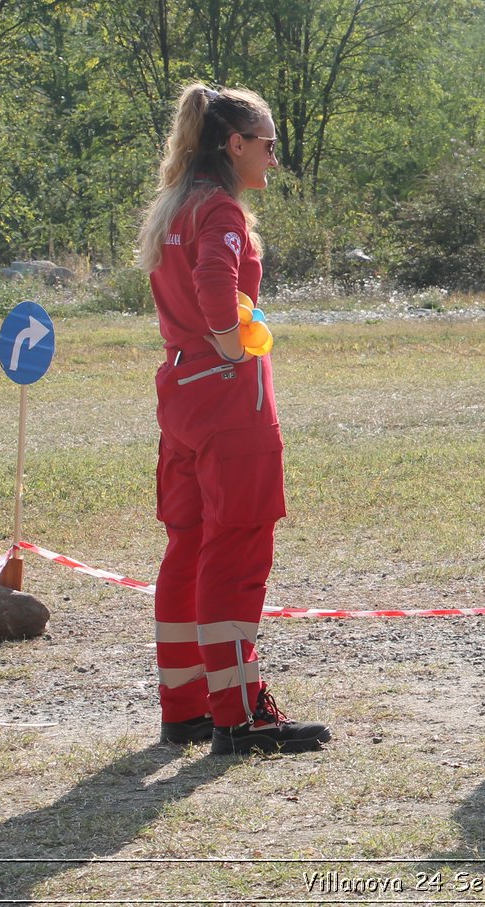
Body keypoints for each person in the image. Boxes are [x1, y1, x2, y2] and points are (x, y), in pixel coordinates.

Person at [138, 83, 330, 753]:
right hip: (228, 401)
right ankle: (238, 713)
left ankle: (185, 705)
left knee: (188, 547)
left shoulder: (176, 206)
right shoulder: (218, 209)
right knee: (237, 547)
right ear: (235, 144)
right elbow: (217, 286)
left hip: (183, 396)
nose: (274, 159)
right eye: (268, 145)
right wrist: (230, 340)